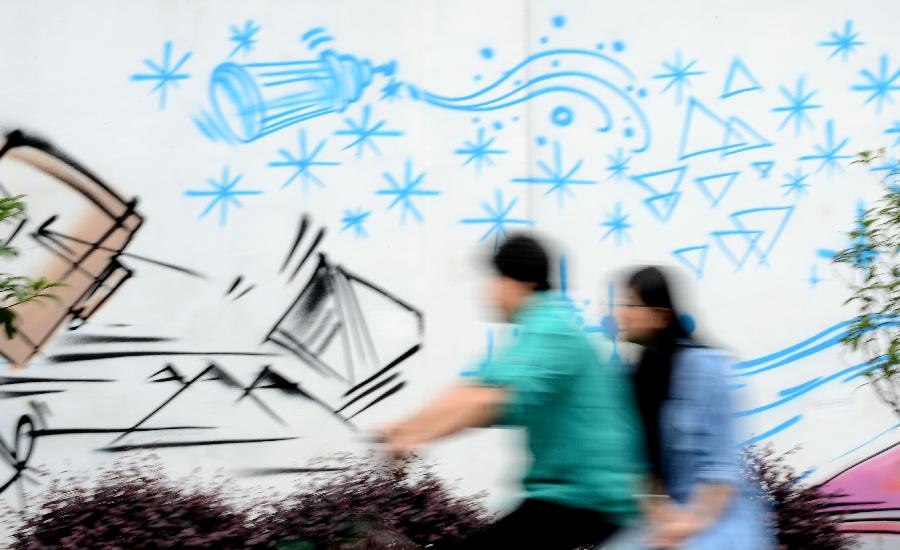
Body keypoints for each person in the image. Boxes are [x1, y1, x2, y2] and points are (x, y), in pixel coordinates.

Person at [379, 234, 644, 550]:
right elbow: (473, 389)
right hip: (566, 500)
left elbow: (491, 399)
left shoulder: (553, 331)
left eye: (497, 278)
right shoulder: (535, 332)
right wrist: (406, 428)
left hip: (586, 501)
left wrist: (415, 436)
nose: (489, 291)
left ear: (526, 282)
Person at [614, 266, 773, 549]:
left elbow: (721, 468)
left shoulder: (705, 368)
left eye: (630, 304)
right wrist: (662, 516)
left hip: (718, 520)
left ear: (659, 315)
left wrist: (691, 521)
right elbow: (641, 469)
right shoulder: (638, 377)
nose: (620, 313)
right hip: (668, 520)